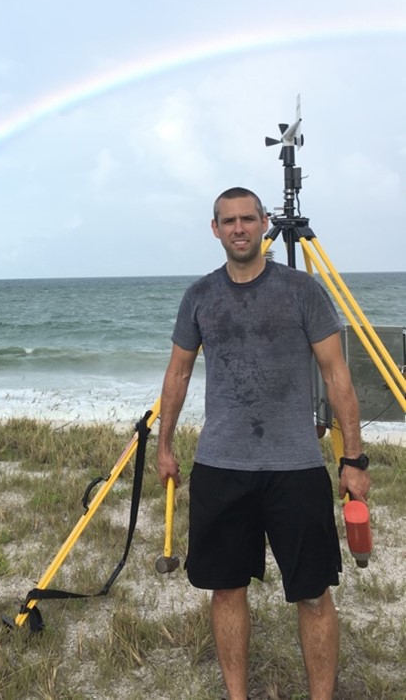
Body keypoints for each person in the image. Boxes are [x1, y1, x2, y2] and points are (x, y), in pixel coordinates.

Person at [156, 187, 370, 700]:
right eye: (228, 221)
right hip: (221, 465)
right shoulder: (199, 296)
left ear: (264, 222)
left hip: (295, 466)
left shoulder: (301, 291)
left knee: (314, 593)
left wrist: (354, 458)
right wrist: (164, 446)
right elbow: (178, 374)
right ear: (215, 229)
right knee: (226, 589)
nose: (239, 228)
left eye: (248, 219)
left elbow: (337, 374)